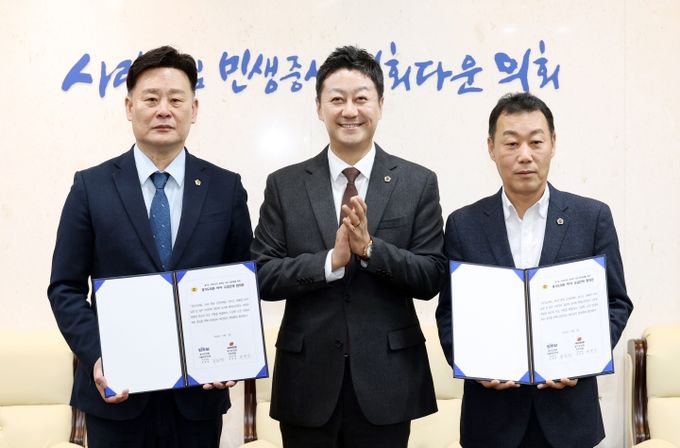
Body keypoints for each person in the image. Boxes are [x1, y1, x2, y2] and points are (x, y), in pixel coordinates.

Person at [47, 45, 253, 448]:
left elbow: (239, 280)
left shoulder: (225, 188)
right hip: (116, 397)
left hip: (198, 398)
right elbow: (65, 288)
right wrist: (100, 355)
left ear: (194, 109)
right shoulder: (90, 186)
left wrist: (230, 352)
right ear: (129, 107)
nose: (164, 110)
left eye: (176, 100)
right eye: (151, 99)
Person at [251, 45, 446, 447]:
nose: (350, 111)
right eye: (337, 99)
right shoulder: (285, 185)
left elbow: (431, 275)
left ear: (380, 105)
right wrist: (330, 261)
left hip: (387, 382)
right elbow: (262, 275)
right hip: (306, 382)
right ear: (319, 107)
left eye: (361, 98)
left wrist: (371, 249)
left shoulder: (417, 182)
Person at [436, 92, 634, 448]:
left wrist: (583, 358)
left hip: (569, 419)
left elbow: (617, 303)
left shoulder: (592, 218)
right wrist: (474, 366)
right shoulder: (464, 224)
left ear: (553, 143)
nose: (524, 155)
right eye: (511, 143)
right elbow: (449, 313)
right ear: (491, 148)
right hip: (490, 420)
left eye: (536, 142)